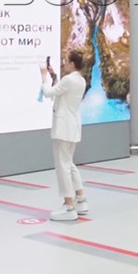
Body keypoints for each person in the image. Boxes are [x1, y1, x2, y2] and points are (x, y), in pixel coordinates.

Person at [45, 52, 90, 221]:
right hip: (72, 127)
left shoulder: (69, 80)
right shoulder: (80, 80)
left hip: (63, 129)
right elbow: (61, 91)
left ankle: (69, 206)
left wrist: (43, 77)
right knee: (69, 164)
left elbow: (49, 93)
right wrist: (53, 76)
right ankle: (80, 199)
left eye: (66, 61)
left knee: (63, 166)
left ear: (72, 63)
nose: (64, 63)